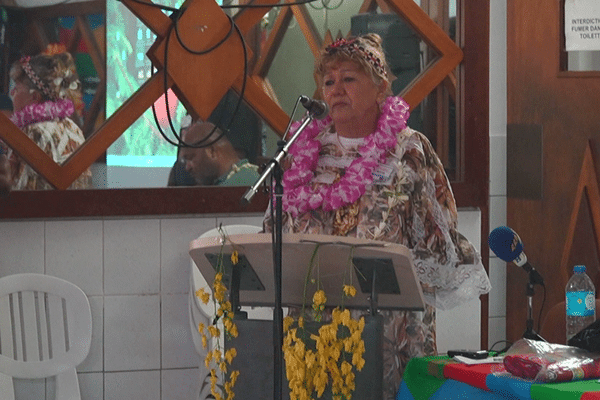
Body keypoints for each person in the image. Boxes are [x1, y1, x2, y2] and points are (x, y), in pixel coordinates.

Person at [262, 33, 492, 399]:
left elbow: (438, 236)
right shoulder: (304, 152)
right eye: (329, 81)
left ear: (381, 87)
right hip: (314, 330)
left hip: (390, 330)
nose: (336, 89)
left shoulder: (409, 150)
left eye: (349, 79)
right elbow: (274, 231)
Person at [6, 48, 91, 190]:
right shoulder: (73, 127)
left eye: (17, 88)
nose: (12, 93)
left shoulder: (33, 132)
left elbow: (22, 195)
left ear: (35, 97)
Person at [178, 121, 260, 186]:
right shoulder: (246, 175)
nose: (187, 167)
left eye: (191, 158)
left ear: (212, 151)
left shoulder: (239, 186)